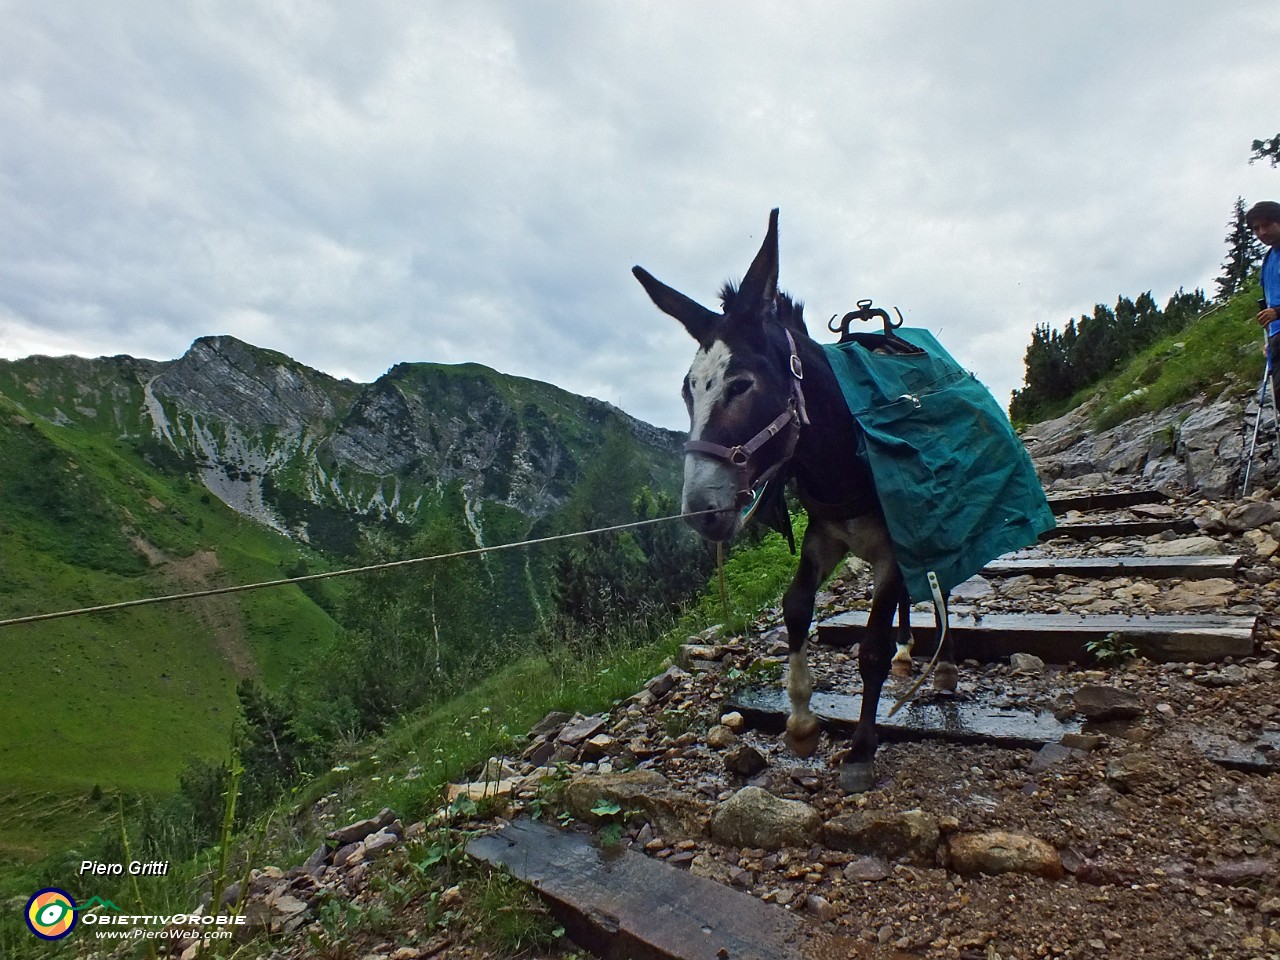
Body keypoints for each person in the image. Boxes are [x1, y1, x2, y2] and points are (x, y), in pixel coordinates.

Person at [1246, 200, 1280, 407]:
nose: (1261, 233)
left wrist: (1277, 312)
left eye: (1267, 225)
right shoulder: (1268, 259)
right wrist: (1270, 340)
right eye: (1256, 228)